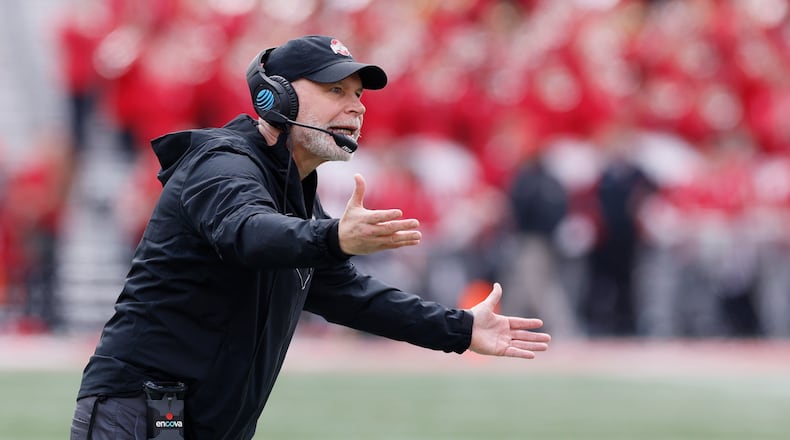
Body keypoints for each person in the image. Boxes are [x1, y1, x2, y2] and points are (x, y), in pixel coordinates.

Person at [70, 35, 551, 440]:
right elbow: (249, 233)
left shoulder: (294, 190)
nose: (356, 107)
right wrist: (334, 238)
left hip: (190, 418)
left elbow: (349, 295)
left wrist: (461, 329)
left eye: (359, 94)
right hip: (141, 412)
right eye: (336, 90)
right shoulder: (222, 162)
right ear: (274, 97)